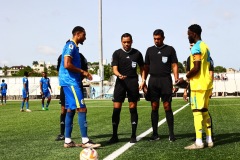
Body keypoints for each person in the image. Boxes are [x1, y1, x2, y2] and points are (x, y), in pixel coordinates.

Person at [59, 26, 100, 148]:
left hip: (70, 81)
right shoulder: (70, 46)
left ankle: (67, 141)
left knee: (70, 110)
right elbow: (67, 64)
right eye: (84, 35)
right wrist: (83, 72)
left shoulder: (74, 47)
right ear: (77, 34)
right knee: (82, 108)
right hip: (70, 82)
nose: (85, 38)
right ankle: (85, 141)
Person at [177, 24, 214, 149]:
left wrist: (185, 78)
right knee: (204, 112)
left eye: (189, 34)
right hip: (207, 84)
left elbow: (196, 68)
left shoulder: (196, 47)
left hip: (198, 85)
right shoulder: (206, 46)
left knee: (197, 113)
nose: (188, 36)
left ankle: (198, 142)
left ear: (194, 33)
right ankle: (209, 140)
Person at [108, 33, 145, 144]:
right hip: (120, 83)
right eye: (124, 42)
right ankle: (114, 136)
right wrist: (119, 75)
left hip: (133, 82)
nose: (126, 44)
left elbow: (143, 68)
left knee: (133, 108)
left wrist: (143, 80)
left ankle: (133, 135)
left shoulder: (137, 53)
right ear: (121, 42)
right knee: (116, 108)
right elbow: (114, 69)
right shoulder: (117, 53)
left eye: (128, 42)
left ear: (131, 41)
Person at [144, 29, 179, 142]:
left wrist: (176, 80)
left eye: (158, 39)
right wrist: (143, 80)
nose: (156, 41)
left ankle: (171, 134)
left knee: (167, 106)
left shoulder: (170, 49)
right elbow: (146, 67)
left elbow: (174, 65)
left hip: (165, 81)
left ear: (163, 38)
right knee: (154, 106)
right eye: (155, 39)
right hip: (153, 81)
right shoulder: (149, 50)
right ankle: (155, 134)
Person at [55, 51, 88, 141]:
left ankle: (70, 139)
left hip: (76, 84)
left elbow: (85, 71)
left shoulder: (80, 57)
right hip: (66, 85)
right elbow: (60, 70)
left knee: (79, 108)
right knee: (65, 108)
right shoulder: (61, 57)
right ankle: (63, 134)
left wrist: (77, 79)